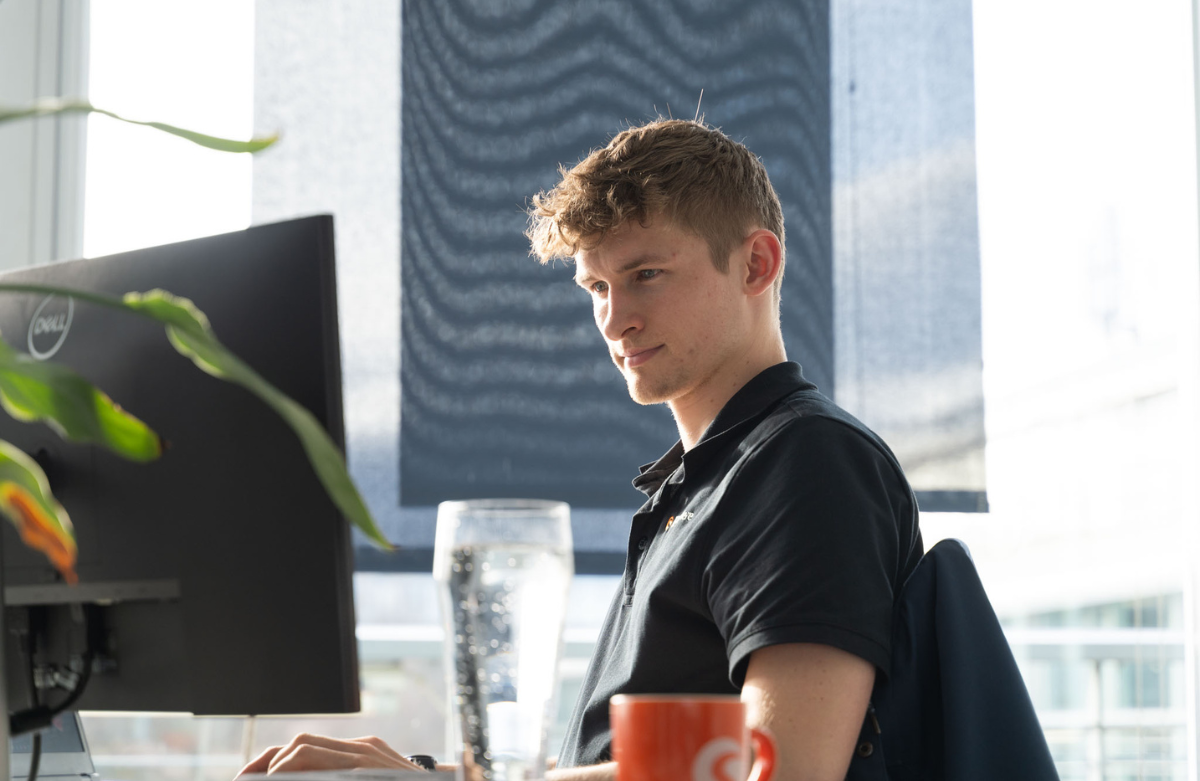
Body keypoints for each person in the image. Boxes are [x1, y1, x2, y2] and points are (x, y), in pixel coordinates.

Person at [236, 119, 924, 780]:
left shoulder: (807, 464)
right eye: (597, 286)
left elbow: (783, 770)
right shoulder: (702, 485)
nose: (614, 320)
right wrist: (425, 777)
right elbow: (649, 768)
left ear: (756, 264)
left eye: (646, 273)